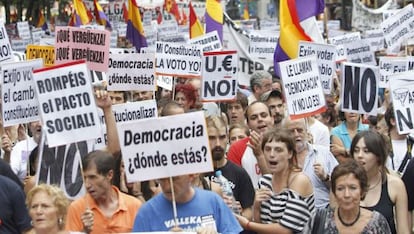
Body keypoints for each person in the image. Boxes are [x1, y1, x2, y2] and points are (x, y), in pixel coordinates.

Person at [236, 128, 314, 233]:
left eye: (278, 150)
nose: (272, 154)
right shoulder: (265, 182)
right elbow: (261, 227)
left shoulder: (299, 180)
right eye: (268, 149)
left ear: (290, 154)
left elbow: (286, 230)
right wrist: (256, 207)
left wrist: (247, 224)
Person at [132, 174, 243, 233]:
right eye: (162, 179)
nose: (167, 186)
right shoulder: (146, 212)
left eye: (174, 179)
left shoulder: (213, 201)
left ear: (191, 175)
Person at [303, 160, 391, 233]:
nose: (347, 194)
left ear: (362, 191)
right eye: (340, 189)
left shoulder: (377, 223)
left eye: (353, 188)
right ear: (334, 192)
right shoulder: (318, 219)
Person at [65, 150, 142, 234]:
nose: (87, 184)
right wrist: (84, 232)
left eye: (92, 177)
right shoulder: (76, 208)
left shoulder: (134, 206)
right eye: (85, 178)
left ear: (109, 175)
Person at [351, 130, 410, 234]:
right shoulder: (343, 182)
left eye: (366, 151)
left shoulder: (395, 185)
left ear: (378, 156)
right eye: (356, 150)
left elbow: (403, 230)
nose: (359, 155)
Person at [205, 116, 255, 222]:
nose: (218, 144)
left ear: (227, 138)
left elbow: (249, 211)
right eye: (212, 138)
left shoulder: (239, 173)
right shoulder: (196, 174)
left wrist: (238, 214)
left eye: (222, 137)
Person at [285, 117, 338, 208]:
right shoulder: (282, 158)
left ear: (306, 131)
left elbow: (340, 186)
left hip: (323, 213)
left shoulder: (323, 153)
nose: (296, 134)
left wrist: (325, 178)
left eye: (299, 130)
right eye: (291, 131)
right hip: (294, 215)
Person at [227, 101, 273, 188]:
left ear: (272, 119)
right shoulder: (236, 149)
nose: (260, 119)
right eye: (254, 117)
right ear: (247, 124)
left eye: (264, 115)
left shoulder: (285, 144)